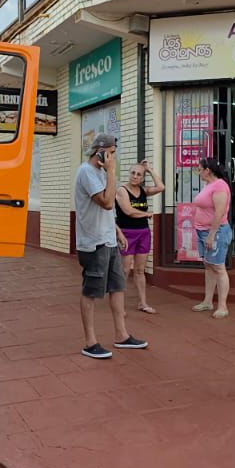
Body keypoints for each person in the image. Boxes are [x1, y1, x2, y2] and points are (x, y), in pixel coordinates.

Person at [73, 134, 148, 358]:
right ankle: (90, 342)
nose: (114, 158)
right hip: (93, 242)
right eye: (112, 153)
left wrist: (117, 231)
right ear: (100, 152)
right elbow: (106, 203)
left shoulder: (101, 173)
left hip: (109, 239)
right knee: (91, 291)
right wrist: (112, 172)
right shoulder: (87, 172)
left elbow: (108, 212)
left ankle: (121, 335)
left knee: (117, 287)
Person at [116, 160, 165, 314]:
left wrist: (149, 169)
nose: (135, 176)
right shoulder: (122, 190)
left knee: (139, 270)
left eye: (139, 174)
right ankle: (119, 305)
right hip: (127, 233)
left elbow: (161, 187)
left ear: (142, 178)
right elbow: (128, 211)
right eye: (133, 173)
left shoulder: (143, 191)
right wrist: (146, 214)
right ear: (129, 174)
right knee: (125, 270)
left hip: (143, 233)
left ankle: (142, 303)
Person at [190, 157, 233, 319]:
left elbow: (219, 212)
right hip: (202, 231)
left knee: (219, 267)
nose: (198, 172)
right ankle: (208, 301)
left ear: (207, 170)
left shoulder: (220, 186)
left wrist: (211, 234)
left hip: (216, 232)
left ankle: (222, 306)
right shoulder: (208, 185)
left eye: (199, 169)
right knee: (208, 266)